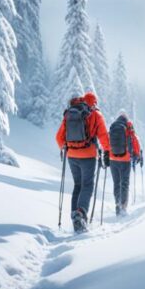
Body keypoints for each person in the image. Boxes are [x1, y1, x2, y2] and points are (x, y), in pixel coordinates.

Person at [55, 92, 109, 232]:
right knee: (87, 186)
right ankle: (81, 213)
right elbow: (103, 136)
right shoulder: (96, 115)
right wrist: (107, 152)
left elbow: (59, 137)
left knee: (77, 185)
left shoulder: (71, 114)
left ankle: (76, 219)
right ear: (94, 103)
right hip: (88, 156)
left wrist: (66, 147)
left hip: (72, 156)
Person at [107, 109, 142, 217]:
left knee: (116, 183)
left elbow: (108, 142)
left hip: (113, 159)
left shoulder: (112, 126)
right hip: (125, 159)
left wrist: (106, 155)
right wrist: (137, 154)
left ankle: (117, 204)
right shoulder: (128, 125)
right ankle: (123, 206)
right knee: (124, 183)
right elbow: (135, 140)